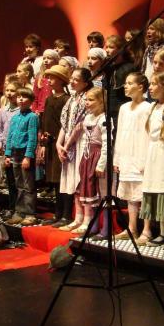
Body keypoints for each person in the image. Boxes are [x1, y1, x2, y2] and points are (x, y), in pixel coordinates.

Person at [139, 72, 164, 246]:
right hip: (153, 153)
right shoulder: (151, 107)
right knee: (155, 190)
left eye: (154, 84)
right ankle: (162, 232)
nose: (150, 88)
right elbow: (147, 135)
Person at [113, 72, 151, 239]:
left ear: (140, 87)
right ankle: (132, 228)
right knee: (130, 194)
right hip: (127, 154)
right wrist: (117, 158)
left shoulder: (148, 107)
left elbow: (149, 134)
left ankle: (147, 229)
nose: (125, 86)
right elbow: (119, 133)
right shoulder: (123, 108)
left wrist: (147, 158)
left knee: (144, 193)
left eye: (129, 83)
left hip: (141, 153)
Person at [57, 68, 92, 232]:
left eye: (76, 79)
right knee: (72, 181)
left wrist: (68, 144)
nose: (72, 81)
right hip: (69, 144)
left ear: (85, 83)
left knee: (80, 181)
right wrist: (59, 143)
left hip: (81, 143)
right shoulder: (72, 99)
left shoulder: (86, 98)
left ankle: (86, 219)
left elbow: (79, 126)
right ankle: (77, 218)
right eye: (71, 78)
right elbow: (65, 124)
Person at [76, 87, 108, 237]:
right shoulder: (87, 118)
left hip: (99, 156)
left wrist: (101, 163)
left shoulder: (104, 119)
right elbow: (84, 140)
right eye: (86, 99)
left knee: (102, 193)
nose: (87, 103)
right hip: (88, 156)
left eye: (91, 100)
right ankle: (94, 226)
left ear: (101, 101)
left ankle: (106, 229)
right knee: (91, 192)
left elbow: (107, 143)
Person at [41, 66, 71, 226]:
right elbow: (46, 121)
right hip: (50, 143)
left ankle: (66, 214)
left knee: (63, 179)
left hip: (62, 143)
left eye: (53, 78)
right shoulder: (49, 99)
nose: (50, 81)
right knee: (54, 180)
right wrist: (43, 141)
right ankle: (57, 213)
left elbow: (65, 123)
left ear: (61, 80)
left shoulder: (66, 99)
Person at [5, 88, 39, 226]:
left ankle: (30, 213)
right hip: (14, 154)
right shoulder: (14, 117)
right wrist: (7, 153)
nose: (20, 99)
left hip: (25, 153)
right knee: (18, 184)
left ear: (31, 101)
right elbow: (10, 136)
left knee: (28, 184)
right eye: (19, 96)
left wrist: (28, 156)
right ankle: (19, 211)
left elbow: (32, 138)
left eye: (24, 97)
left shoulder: (33, 117)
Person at [0, 77, 22, 215]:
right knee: (10, 181)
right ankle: (12, 208)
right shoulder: (3, 111)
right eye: (8, 90)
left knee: (19, 182)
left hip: (19, 151)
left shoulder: (21, 111)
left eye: (13, 91)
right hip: (7, 150)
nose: (9, 93)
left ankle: (21, 209)